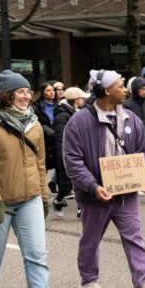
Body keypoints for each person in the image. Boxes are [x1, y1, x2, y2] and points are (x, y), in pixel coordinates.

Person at [64, 69, 145, 288]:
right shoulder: (79, 122)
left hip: (126, 193)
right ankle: (88, 280)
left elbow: (144, 151)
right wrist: (92, 186)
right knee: (91, 238)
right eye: (120, 86)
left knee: (134, 237)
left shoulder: (131, 118)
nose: (125, 90)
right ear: (107, 90)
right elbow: (72, 160)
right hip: (95, 195)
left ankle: (144, 281)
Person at [0, 70, 73, 288]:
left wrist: (43, 196)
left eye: (28, 91)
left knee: (37, 254)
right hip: (0, 202)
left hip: (29, 199)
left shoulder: (34, 124)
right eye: (20, 91)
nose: (26, 96)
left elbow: (40, 165)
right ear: (5, 96)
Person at [52, 87, 90, 218]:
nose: (84, 100)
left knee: (82, 181)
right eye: (81, 98)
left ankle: (81, 209)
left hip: (81, 150)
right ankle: (58, 200)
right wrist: (64, 155)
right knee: (66, 186)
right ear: (75, 100)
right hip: (67, 152)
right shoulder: (62, 115)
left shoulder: (82, 112)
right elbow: (61, 138)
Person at [31, 82, 57, 188]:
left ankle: (57, 189)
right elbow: (37, 123)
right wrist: (48, 131)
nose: (52, 93)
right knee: (43, 167)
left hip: (56, 140)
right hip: (44, 140)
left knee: (59, 165)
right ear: (42, 93)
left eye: (52, 90)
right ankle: (41, 190)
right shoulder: (35, 107)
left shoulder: (59, 106)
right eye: (48, 90)